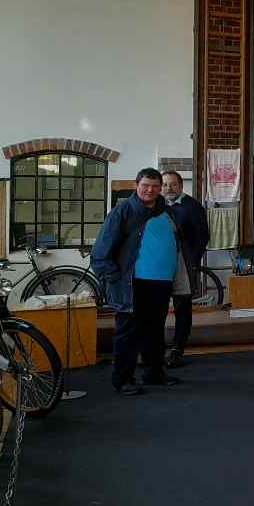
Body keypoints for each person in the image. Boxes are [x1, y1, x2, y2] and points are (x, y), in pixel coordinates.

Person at [91, 168, 187, 395]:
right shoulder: (123, 211)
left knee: (155, 329)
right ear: (137, 185)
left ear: (160, 187)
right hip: (133, 283)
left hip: (161, 282)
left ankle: (154, 372)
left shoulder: (165, 210)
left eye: (155, 186)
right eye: (145, 185)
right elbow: (101, 252)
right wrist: (114, 279)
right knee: (128, 332)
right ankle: (123, 379)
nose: (150, 190)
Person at [159, 171, 209, 369]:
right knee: (158, 307)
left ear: (180, 186)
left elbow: (202, 236)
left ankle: (177, 349)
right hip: (160, 265)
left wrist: (193, 261)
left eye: (172, 184)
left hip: (184, 264)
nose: (168, 188)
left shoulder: (193, 206)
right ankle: (156, 349)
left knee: (182, 307)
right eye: (165, 185)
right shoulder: (157, 206)